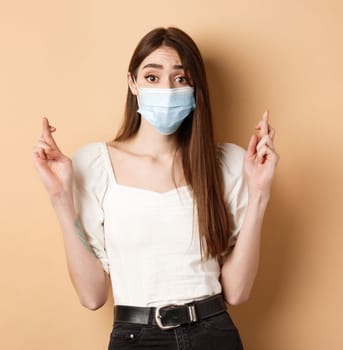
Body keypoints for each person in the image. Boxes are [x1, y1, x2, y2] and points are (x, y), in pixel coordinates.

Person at [31, 27, 279, 349]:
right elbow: (92, 296)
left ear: (194, 89)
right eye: (152, 77)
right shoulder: (94, 165)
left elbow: (237, 292)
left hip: (213, 333)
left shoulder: (226, 165)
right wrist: (60, 198)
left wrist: (259, 193)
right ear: (132, 83)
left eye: (180, 79)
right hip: (135, 337)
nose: (166, 89)